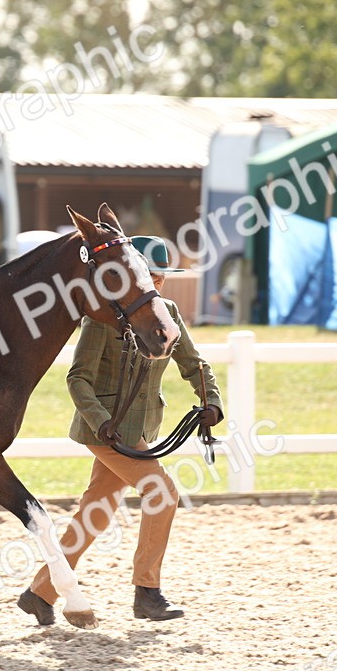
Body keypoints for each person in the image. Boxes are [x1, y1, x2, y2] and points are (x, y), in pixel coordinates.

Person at [18, 237, 224, 624]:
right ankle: (147, 593)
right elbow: (78, 378)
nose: (158, 283)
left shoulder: (170, 315)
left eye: (163, 276)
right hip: (107, 433)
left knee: (95, 513)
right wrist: (101, 423)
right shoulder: (104, 319)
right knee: (162, 492)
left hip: (142, 429)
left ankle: (40, 592)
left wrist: (211, 400)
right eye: (152, 275)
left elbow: (195, 364)